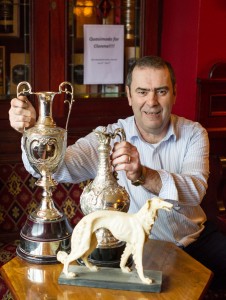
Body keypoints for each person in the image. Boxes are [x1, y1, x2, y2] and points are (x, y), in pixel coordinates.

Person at [9, 56, 226, 290]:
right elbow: (59, 168)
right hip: (136, 246)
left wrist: (143, 174)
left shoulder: (194, 134)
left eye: (161, 91)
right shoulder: (108, 137)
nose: (151, 101)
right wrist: (34, 132)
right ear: (129, 95)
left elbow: (195, 192)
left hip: (194, 239)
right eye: (142, 91)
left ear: (175, 93)